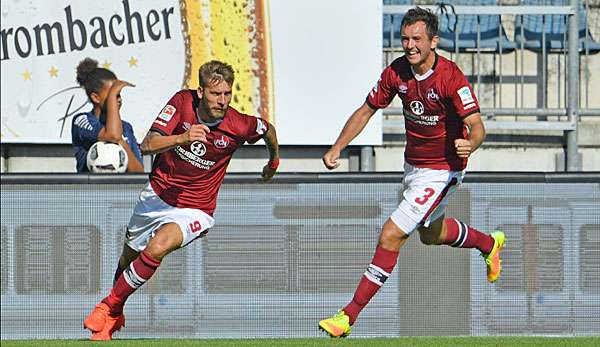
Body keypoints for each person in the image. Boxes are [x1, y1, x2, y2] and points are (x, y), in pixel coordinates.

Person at [318, 7, 505, 338]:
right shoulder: (397, 72)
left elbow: (477, 127)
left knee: (391, 234)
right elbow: (366, 110)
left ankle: (347, 316)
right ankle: (488, 243)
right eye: (404, 38)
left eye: (416, 39)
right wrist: (337, 147)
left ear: (433, 41)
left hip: (443, 170)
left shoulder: (450, 77)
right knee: (431, 235)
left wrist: (470, 145)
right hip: (414, 168)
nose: (409, 45)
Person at [82, 60, 280, 340]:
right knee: (129, 256)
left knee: (157, 247)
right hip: (158, 195)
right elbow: (147, 144)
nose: (222, 101)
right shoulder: (182, 102)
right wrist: (183, 138)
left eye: (227, 94)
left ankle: (108, 306)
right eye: (215, 94)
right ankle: (115, 312)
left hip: (196, 208)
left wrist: (273, 162)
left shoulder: (238, 124)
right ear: (200, 92)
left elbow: (267, 129)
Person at [71, 58, 144, 173]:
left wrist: (122, 143)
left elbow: (139, 171)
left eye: (119, 95)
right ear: (96, 97)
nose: (118, 99)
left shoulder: (126, 127)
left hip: (122, 190)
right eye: (113, 95)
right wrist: (118, 139)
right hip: (89, 189)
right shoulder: (82, 120)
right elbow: (113, 135)